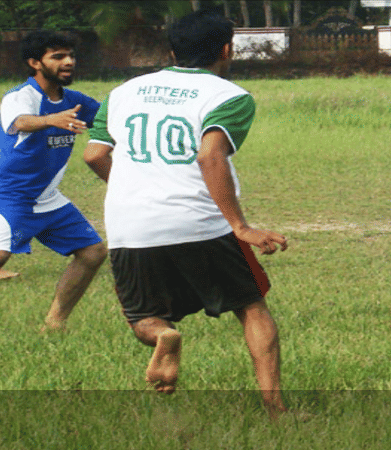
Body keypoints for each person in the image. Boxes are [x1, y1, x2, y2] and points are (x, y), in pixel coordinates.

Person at [83, 11, 288, 418]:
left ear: (172, 51)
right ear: (227, 50)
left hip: (131, 226)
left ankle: (164, 335)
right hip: (201, 223)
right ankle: (275, 408)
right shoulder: (229, 96)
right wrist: (240, 226)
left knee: (142, 317)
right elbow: (210, 155)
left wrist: (135, 190)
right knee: (251, 306)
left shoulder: (123, 92)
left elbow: (93, 154)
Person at [0, 30, 106, 329]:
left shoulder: (74, 100)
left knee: (93, 252)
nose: (68, 61)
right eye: (58, 56)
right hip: (12, 196)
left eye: (70, 55)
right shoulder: (20, 96)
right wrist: (50, 120)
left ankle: (54, 324)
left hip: (48, 199)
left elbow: (109, 119)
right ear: (35, 62)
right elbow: (20, 121)